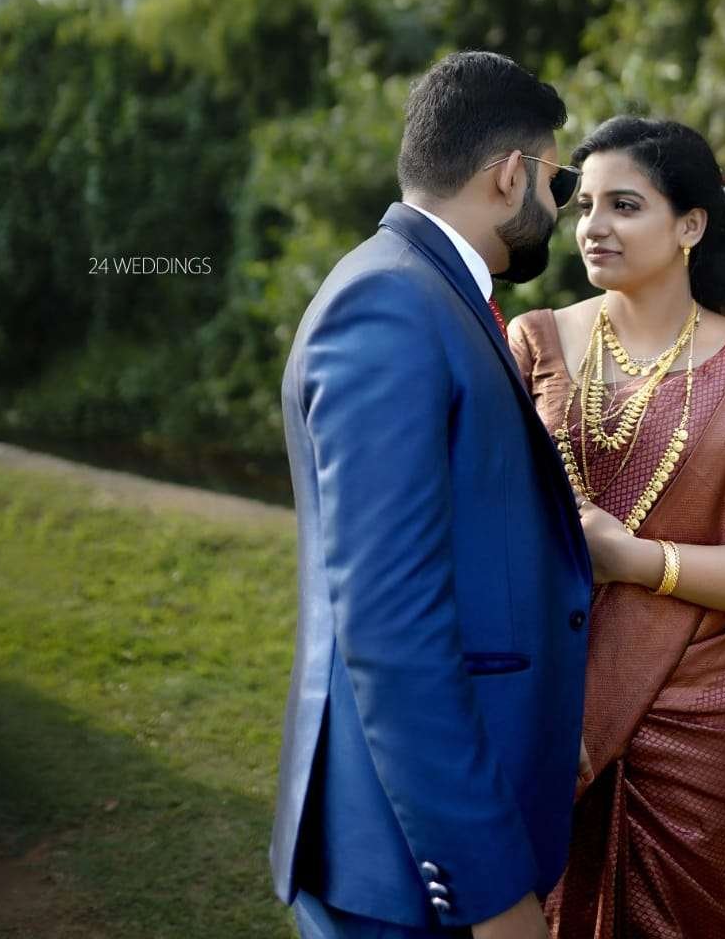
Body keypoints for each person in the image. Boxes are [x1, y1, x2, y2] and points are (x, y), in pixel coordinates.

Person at [270, 51, 592, 939]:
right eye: (559, 183)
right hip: (406, 865)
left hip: (427, 827)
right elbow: (389, 627)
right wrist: (489, 891)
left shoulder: (428, 292)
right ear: (511, 174)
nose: (559, 207)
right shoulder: (390, 306)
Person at [508, 116, 725, 939]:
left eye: (624, 205)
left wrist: (634, 560)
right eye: (585, 205)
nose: (594, 226)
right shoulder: (536, 343)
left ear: (691, 225)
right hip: (549, 701)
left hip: (703, 727)